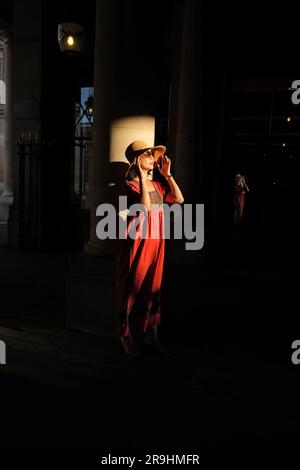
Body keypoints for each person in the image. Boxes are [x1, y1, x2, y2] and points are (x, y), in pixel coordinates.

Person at [116, 140, 184, 356]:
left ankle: (150, 333)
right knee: (130, 289)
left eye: (151, 154)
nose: (152, 158)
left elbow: (179, 199)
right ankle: (125, 335)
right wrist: (141, 176)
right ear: (135, 161)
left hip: (156, 244)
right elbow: (144, 207)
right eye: (146, 154)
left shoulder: (157, 185)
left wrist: (168, 174)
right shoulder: (131, 186)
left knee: (154, 289)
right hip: (137, 245)